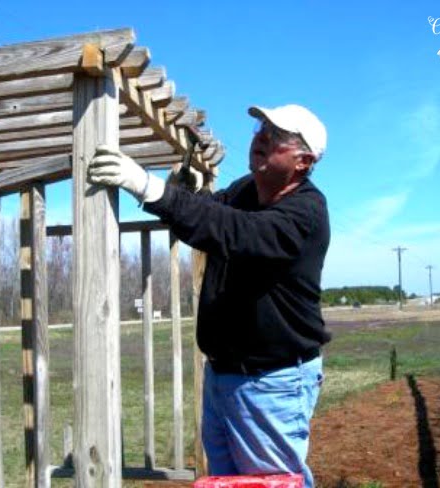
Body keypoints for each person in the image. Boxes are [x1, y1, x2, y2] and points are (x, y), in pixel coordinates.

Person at [88, 104, 331, 488]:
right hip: (224, 374)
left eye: (277, 134)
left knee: (269, 483)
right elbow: (206, 215)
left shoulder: (306, 212)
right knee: (228, 482)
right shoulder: (245, 191)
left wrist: (147, 186)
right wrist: (182, 194)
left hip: (271, 381)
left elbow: (230, 231)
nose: (261, 136)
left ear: (303, 161)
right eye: (261, 127)